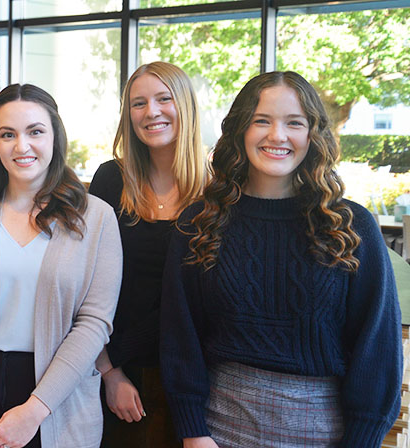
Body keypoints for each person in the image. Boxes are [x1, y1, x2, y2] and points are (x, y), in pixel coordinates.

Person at [160, 71, 403, 447]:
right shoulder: (200, 223)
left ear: (313, 134)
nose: (277, 136)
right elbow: (180, 334)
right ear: (241, 129)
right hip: (219, 429)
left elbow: (378, 346)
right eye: (262, 121)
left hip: (325, 433)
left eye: (294, 123)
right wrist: (193, 431)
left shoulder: (351, 227)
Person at [0, 84, 123, 448]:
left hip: (57, 401)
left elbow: (94, 323)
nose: (21, 146)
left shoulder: (97, 218)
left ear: (55, 137)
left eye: (35, 131)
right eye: (7, 134)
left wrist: (34, 410)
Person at [88, 61, 207, 447]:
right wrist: (109, 372)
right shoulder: (110, 180)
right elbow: (87, 284)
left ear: (185, 106)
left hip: (196, 378)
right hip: (118, 373)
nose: (151, 112)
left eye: (163, 99)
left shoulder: (219, 191)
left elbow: (205, 302)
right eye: (138, 103)